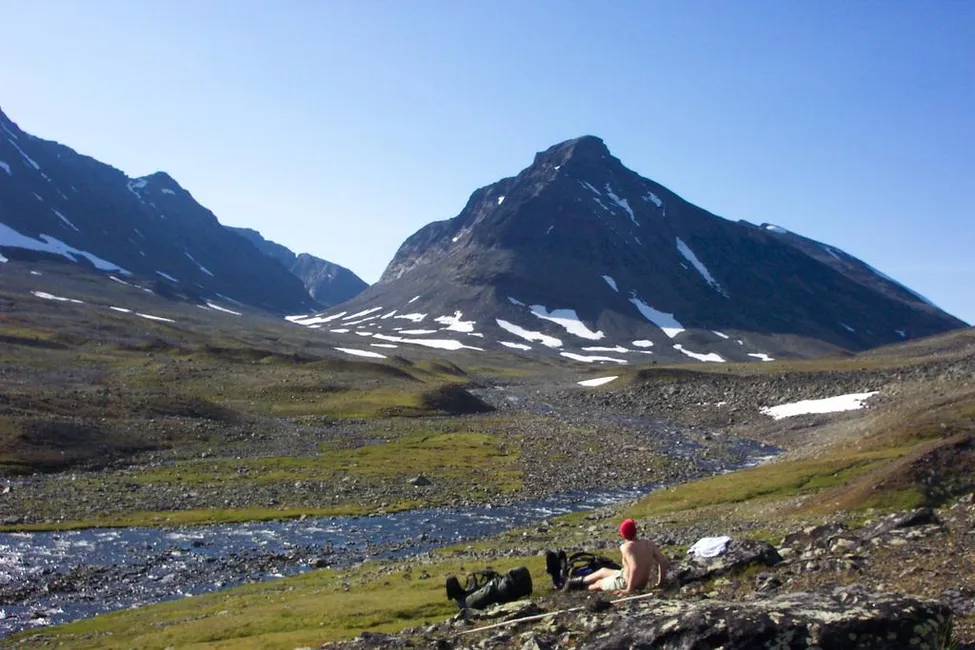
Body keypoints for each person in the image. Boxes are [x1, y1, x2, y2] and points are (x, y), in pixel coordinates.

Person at [581, 518, 671, 593]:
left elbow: (634, 567)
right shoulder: (648, 543)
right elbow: (663, 562)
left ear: (623, 535)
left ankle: (581, 587)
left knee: (599, 583)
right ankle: (579, 581)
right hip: (636, 580)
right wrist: (660, 583)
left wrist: (629, 589)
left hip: (625, 582)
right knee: (603, 571)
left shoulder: (626, 547)